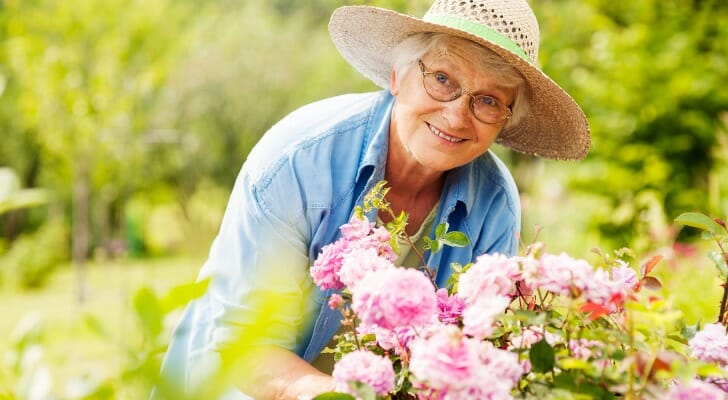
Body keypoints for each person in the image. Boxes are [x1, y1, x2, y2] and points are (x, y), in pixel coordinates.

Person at [154, 0, 590, 399]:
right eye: (442, 79)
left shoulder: (494, 202)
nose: (457, 115)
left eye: (489, 101)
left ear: (505, 122)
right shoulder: (299, 162)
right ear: (398, 76)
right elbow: (244, 349)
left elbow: (472, 353)